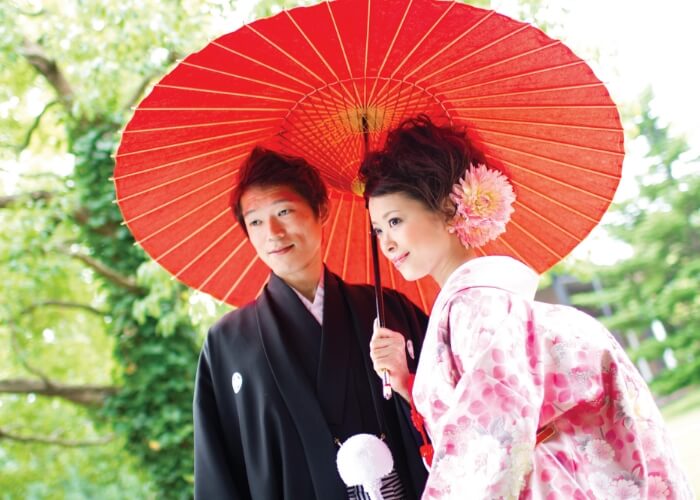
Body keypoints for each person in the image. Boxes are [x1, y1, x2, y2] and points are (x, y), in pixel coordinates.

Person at [360, 115, 693, 499]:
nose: (386, 243)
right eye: (378, 230)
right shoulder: (483, 302)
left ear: (449, 208)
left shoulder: (476, 306)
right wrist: (405, 382)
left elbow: (491, 439)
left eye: (395, 220)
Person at [193, 146, 429, 500]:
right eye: (255, 221)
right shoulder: (227, 345)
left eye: (284, 211)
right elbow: (219, 473)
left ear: (321, 210)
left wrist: (407, 384)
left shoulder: (388, 312)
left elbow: (456, 414)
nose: (272, 232)